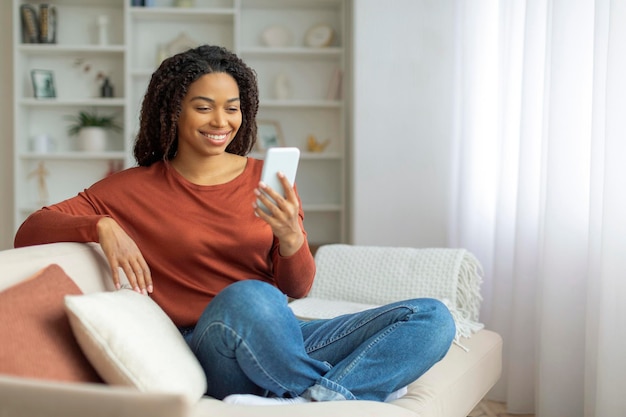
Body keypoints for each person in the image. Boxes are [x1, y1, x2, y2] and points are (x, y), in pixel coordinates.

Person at [14, 45, 456, 405]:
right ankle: (340, 393)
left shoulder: (269, 179)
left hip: (280, 334)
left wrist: (291, 238)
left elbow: (298, 288)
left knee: (432, 318)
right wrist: (102, 226)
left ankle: (320, 400)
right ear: (173, 112)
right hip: (211, 346)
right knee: (250, 296)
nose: (221, 122)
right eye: (203, 107)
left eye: (232, 108)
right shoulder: (129, 189)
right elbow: (31, 229)